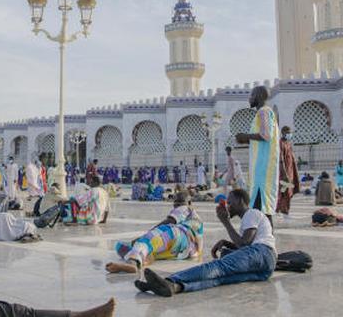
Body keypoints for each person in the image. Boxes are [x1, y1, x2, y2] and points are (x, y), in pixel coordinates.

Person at [135, 188, 275, 296]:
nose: (227, 207)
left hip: (263, 253)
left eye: (230, 203)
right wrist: (226, 243)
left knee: (217, 267)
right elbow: (245, 245)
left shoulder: (252, 213)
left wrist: (225, 222)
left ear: (240, 201)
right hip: (265, 268)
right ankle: (174, 287)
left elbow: (245, 245)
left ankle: (169, 280)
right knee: (219, 278)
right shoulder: (248, 219)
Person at [106, 191, 203, 274]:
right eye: (175, 204)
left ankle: (132, 262)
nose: (176, 206)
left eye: (178, 203)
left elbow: (171, 220)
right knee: (148, 248)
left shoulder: (186, 208)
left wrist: (148, 234)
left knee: (147, 240)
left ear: (189, 202)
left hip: (179, 235)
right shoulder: (197, 220)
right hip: (183, 252)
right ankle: (142, 260)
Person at [235, 86, 280, 226]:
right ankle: (264, 239)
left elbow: (266, 135)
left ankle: (267, 241)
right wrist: (247, 139)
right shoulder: (263, 113)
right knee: (260, 209)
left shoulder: (263, 112)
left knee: (263, 208)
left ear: (259, 96)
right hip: (261, 167)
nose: (249, 98)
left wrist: (244, 136)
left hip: (263, 168)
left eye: (252, 95)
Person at [276, 126, 300, 216]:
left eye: (290, 132)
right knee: (283, 192)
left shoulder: (288, 143)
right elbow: (280, 159)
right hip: (284, 174)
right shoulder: (280, 143)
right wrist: (284, 173)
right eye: (288, 133)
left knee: (287, 191)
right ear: (283, 133)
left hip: (290, 173)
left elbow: (292, 158)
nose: (290, 134)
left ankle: (284, 209)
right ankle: (281, 209)